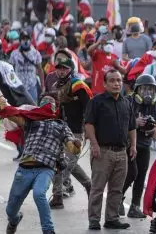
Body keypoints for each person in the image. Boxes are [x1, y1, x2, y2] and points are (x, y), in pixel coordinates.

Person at [0, 83, 80, 234]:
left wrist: (76, 145)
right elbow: (10, 113)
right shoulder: (30, 121)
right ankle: (15, 220)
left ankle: (48, 231)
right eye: (44, 103)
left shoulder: (61, 126)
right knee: (10, 211)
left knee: (39, 194)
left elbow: (72, 147)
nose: (47, 106)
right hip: (25, 169)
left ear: (56, 109)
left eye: (50, 104)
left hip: (45, 169)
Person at [84, 70, 136, 230]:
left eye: (119, 81)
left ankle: (112, 219)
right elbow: (89, 124)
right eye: (112, 81)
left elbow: (132, 127)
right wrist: (94, 144)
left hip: (122, 153)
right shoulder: (97, 102)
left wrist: (133, 145)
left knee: (116, 189)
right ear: (105, 84)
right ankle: (94, 220)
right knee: (97, 188)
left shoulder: (126, 103)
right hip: (102, 152)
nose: (116, 84)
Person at [47, 56, 93, 209]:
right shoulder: (56, 85)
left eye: (64, 69)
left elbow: (89, 107)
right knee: (64, 163)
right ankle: (88, 187)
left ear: (70, 70)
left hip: (76, 132)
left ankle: (58, 195)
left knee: (65, 164)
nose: (61, 71)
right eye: (59, 68)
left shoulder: (78, 85)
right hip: (61, 129)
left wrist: (89, 129)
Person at [120, 74, 156, 218]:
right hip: (128, 144)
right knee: (132, 172)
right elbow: (118, 119)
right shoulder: (127, 101)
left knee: (141, 175)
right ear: (137, 89)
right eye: (144, 89)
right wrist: (134, 122)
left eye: (151, 89)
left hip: (145, 144)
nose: (148, 93)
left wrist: (154, 129)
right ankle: (117, 199)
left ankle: (135, 207)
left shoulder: (155, 104)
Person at [10, 31, 44, 103]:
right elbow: (10, 71)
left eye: (27, 38)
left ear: (30, 40)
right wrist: (11, 85)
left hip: (32, 86)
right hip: (18, 87)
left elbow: (40, 70)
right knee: (19, 109)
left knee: (32, 109)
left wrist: (42, 86)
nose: (25, 41)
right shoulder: (14, 54)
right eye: (23, 39)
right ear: (19, 40)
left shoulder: (36, 53)